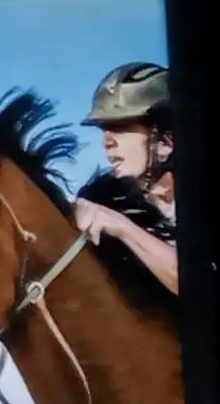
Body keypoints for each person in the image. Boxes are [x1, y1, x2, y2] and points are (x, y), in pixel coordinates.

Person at [71, 60, 179, 292]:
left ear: (165, 143)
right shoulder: (104, 203)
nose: (107, 142)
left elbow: (200, 287)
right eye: (104, 129)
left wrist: (123, 227)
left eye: (121, 127)